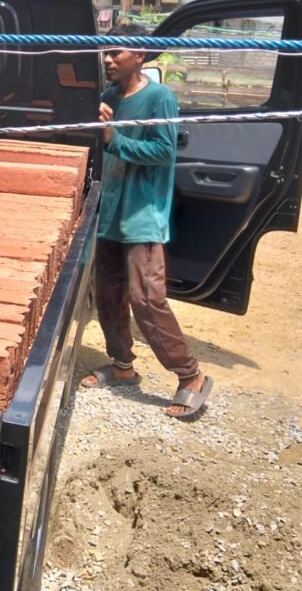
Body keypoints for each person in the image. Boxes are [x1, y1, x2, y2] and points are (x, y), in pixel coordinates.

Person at [81, 23, 213, 419]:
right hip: (109, 211)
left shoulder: (159, 97)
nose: (108, 60)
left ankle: (191, 375)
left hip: (142, 214)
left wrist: (113, 137)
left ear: (139, 55)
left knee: (146, 299)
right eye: (105, 53)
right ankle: (123, 366)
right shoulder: (107, 97)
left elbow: (164, 151)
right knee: (108, 295)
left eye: (116, 53)